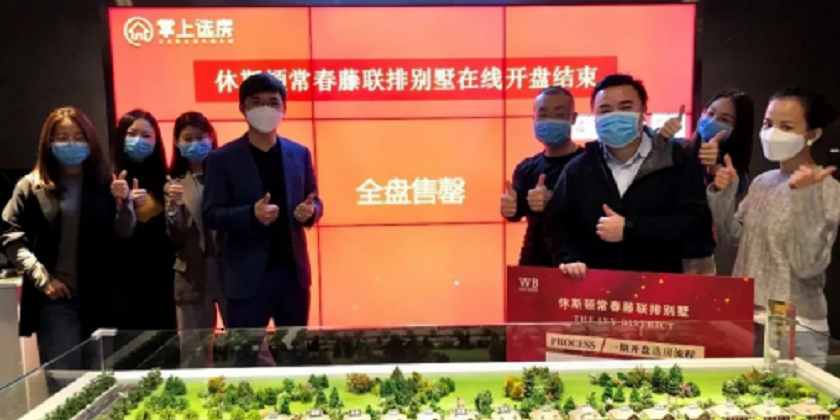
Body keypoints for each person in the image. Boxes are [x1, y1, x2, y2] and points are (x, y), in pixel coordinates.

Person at [707, 87, 840, 367]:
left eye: (786, 127)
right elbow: (733, 237)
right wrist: (724, 194)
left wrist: (806, 199)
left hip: (796, 327)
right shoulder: (762, 182)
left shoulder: (826, 188)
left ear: (812, 134)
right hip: (746, 320)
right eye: (768, 124)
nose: (772, 133)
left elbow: (808, 265)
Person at [1, 106, 134, 373]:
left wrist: (125, 204)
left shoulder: (104, 183)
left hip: (100, 296)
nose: (71, 144)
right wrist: (42, 278)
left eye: (78, 137)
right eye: (62, 138)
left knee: (102, 378)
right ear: (49, 142)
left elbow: (124, 231)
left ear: (90, 140)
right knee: (64, 380)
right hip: (57, 299)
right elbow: (9, 235)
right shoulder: (31, 185)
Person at [544, 74, 710, 277]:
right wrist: (569, 258)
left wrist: (630, 228)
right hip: (595, 288)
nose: (615, 116)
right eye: (605, 110)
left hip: (660, 287)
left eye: (625, 107)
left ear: (643, 111)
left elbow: (695, 221)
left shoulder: (676, 160)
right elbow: (558, 225)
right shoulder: (578, 168)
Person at [203, 73, 322, 329]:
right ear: (242, 108)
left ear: (284, 108)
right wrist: (250, 214)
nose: (265, 109)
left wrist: (310, 211)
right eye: (256, 102)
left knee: (293, 349)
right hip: (246, 279)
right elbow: (211, 213)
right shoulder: (222, 158)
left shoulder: (299, 153)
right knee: (245, 350)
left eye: (272, 102)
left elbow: (315, 200)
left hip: (292, 277)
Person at [656, 90, 756, 274]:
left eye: (724, 119)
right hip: (655, 252)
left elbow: (723, 228)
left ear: (737, 129)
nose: (712, 121)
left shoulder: (732, 173)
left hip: (696, 262)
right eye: (710, 113)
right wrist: (660, 138)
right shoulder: (677, 148)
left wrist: (714, 173)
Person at [166, 112, 227, 367]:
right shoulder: (173, 183)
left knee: (251, 346)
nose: (194, 144)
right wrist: (173, 208)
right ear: (177, 143)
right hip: (192, 274)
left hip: (229, 270)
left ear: (211, 137)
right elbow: (175, 237)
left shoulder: (228, 174)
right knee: (194, 354)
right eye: (187, 138)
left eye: (200, 137)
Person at [111, 109, 176, 331]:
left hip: (162, 277)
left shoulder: (167, 179)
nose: (139, 140)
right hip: (122, 278)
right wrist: (124, 202)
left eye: (146, 135)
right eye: (132, 134)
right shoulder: (107, 177)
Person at [502, 86, 582, 266]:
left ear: (573, 118)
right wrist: (509, 207)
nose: (550, 121)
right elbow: (516, 210)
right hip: (533, 265)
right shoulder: (526, 167)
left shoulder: (588, 164)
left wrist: (553, 204)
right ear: (534, 119)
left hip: (577, 265)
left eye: (559, 115)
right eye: (543, 115)